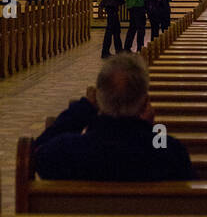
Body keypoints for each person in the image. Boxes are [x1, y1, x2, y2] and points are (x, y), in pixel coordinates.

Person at [34, 54, 194, 181]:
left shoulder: (65, 152)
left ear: (98, 100)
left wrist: (83, 109)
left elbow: (34, 154)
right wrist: (148, 131)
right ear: (145, 103)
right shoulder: (168, 154)